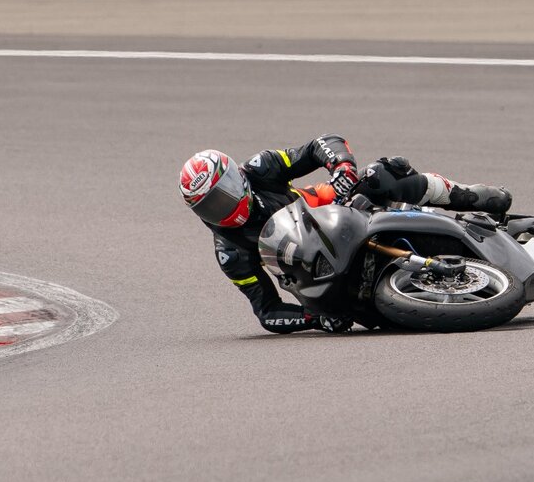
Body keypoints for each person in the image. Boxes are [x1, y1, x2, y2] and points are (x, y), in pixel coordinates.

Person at [179, 135, 511, 334]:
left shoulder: (260, 168)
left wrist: (342, 168)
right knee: (347, 322)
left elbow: (319, 144)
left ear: (236, 179)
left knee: (381, 173)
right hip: (317, 268)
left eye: (221, 198)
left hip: (335, 210)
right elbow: (268, 312)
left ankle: (467, 194)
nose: (221, 210)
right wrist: (313, 319)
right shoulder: (230, 252)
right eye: (209, 208)